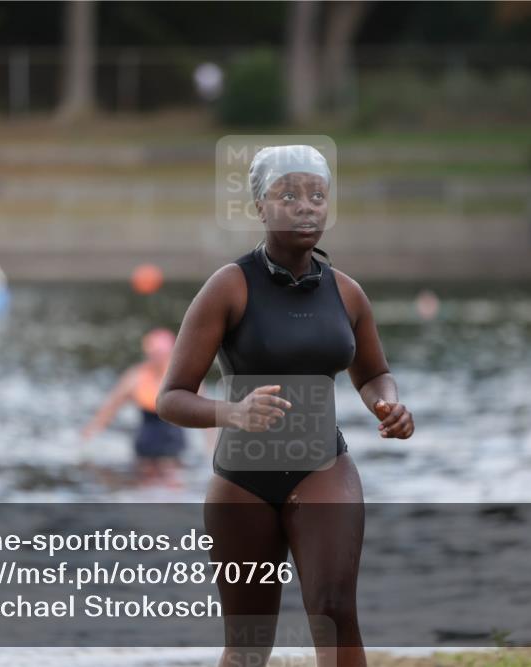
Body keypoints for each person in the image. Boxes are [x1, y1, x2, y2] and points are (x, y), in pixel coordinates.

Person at [156, 145, 414, 667]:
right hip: (243, 480)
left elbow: (374, 374)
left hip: (323, 467)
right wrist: (231, 412)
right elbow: (171, 398)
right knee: (250, 644)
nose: (306, 206)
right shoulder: (229, 287)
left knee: (335, 610)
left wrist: (387, 404)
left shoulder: (347, 294)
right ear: (261, 206)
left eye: (317, 195)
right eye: (289, 195)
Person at [82, 328, 187, 486]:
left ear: (171, 353)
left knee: (172, 482)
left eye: (161, 353)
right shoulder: (135, 377)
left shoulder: (184, 376)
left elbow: (206, 409)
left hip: (173, 441)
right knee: (146, 483)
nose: (157, 357)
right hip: (146, 442)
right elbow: (111, 407)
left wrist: (213, 444)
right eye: (154, 353)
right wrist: (90, 432)